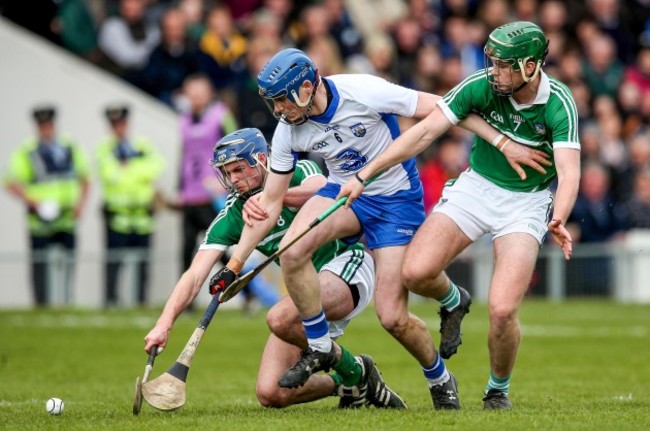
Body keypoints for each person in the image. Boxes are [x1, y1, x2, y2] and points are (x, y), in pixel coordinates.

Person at [218, 48, 548, 410]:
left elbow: (445, 107)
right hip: (345, 192)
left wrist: (501, 141)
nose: (279, 110)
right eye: (273, 103)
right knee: (295, 249)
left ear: (306, 87)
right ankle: (320, 346)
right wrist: (234, 265)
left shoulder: (361, 91)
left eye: (282, 100)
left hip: (395, 200)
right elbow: (271, 201)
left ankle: (440, 376)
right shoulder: (287, 132)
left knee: (392, 317)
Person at [337, 21, 581, 410]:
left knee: (502, 309)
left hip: (526, 202)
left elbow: (569, 171)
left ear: (531, 66)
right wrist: (363, 176)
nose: (495, 72)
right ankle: (454, 299)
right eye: (493, 62)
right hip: (475, 188)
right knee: (415, 273)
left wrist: (560, 215)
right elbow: (422, 134)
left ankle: (497, 390)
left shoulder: (558, 102)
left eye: (504, 65)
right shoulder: (479, 84)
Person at [144, 128, 405, 409]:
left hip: (345, 266)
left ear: (260, 159)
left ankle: (354, 370)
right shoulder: (234, 213)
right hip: (302, 292)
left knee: (280, 318)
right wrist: (164, 323)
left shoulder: (299, 169)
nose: (233, 180)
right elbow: (194, 275)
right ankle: (353, 384)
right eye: (227, 173)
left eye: (238, 170)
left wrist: (273, 198)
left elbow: (325, 189)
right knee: (271, 393)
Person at [5, 105, 90, 306]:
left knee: (69, 263)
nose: (46, 129)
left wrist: (80, 204)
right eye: (42, 125)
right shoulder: (28, 150)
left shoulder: (69, 146)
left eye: (49, 125)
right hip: (40, 220)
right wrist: (34, 203)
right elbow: (10, 181)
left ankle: (67, 300)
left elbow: (85, 177)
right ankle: (41, 304)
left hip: (66, 218)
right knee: (40, 265)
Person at [97, 104, 165, 307]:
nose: (118, 127)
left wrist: (127, 169)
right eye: (114, 124)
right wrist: (138, 171)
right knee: (113, 263)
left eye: (121, 123)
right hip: (118, 217)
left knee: (144, 264)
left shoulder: (142, 144)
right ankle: (111, 299)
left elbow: (157, 168)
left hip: (143, 216)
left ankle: (141, 300)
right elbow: (110, 175)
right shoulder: (104, 148)